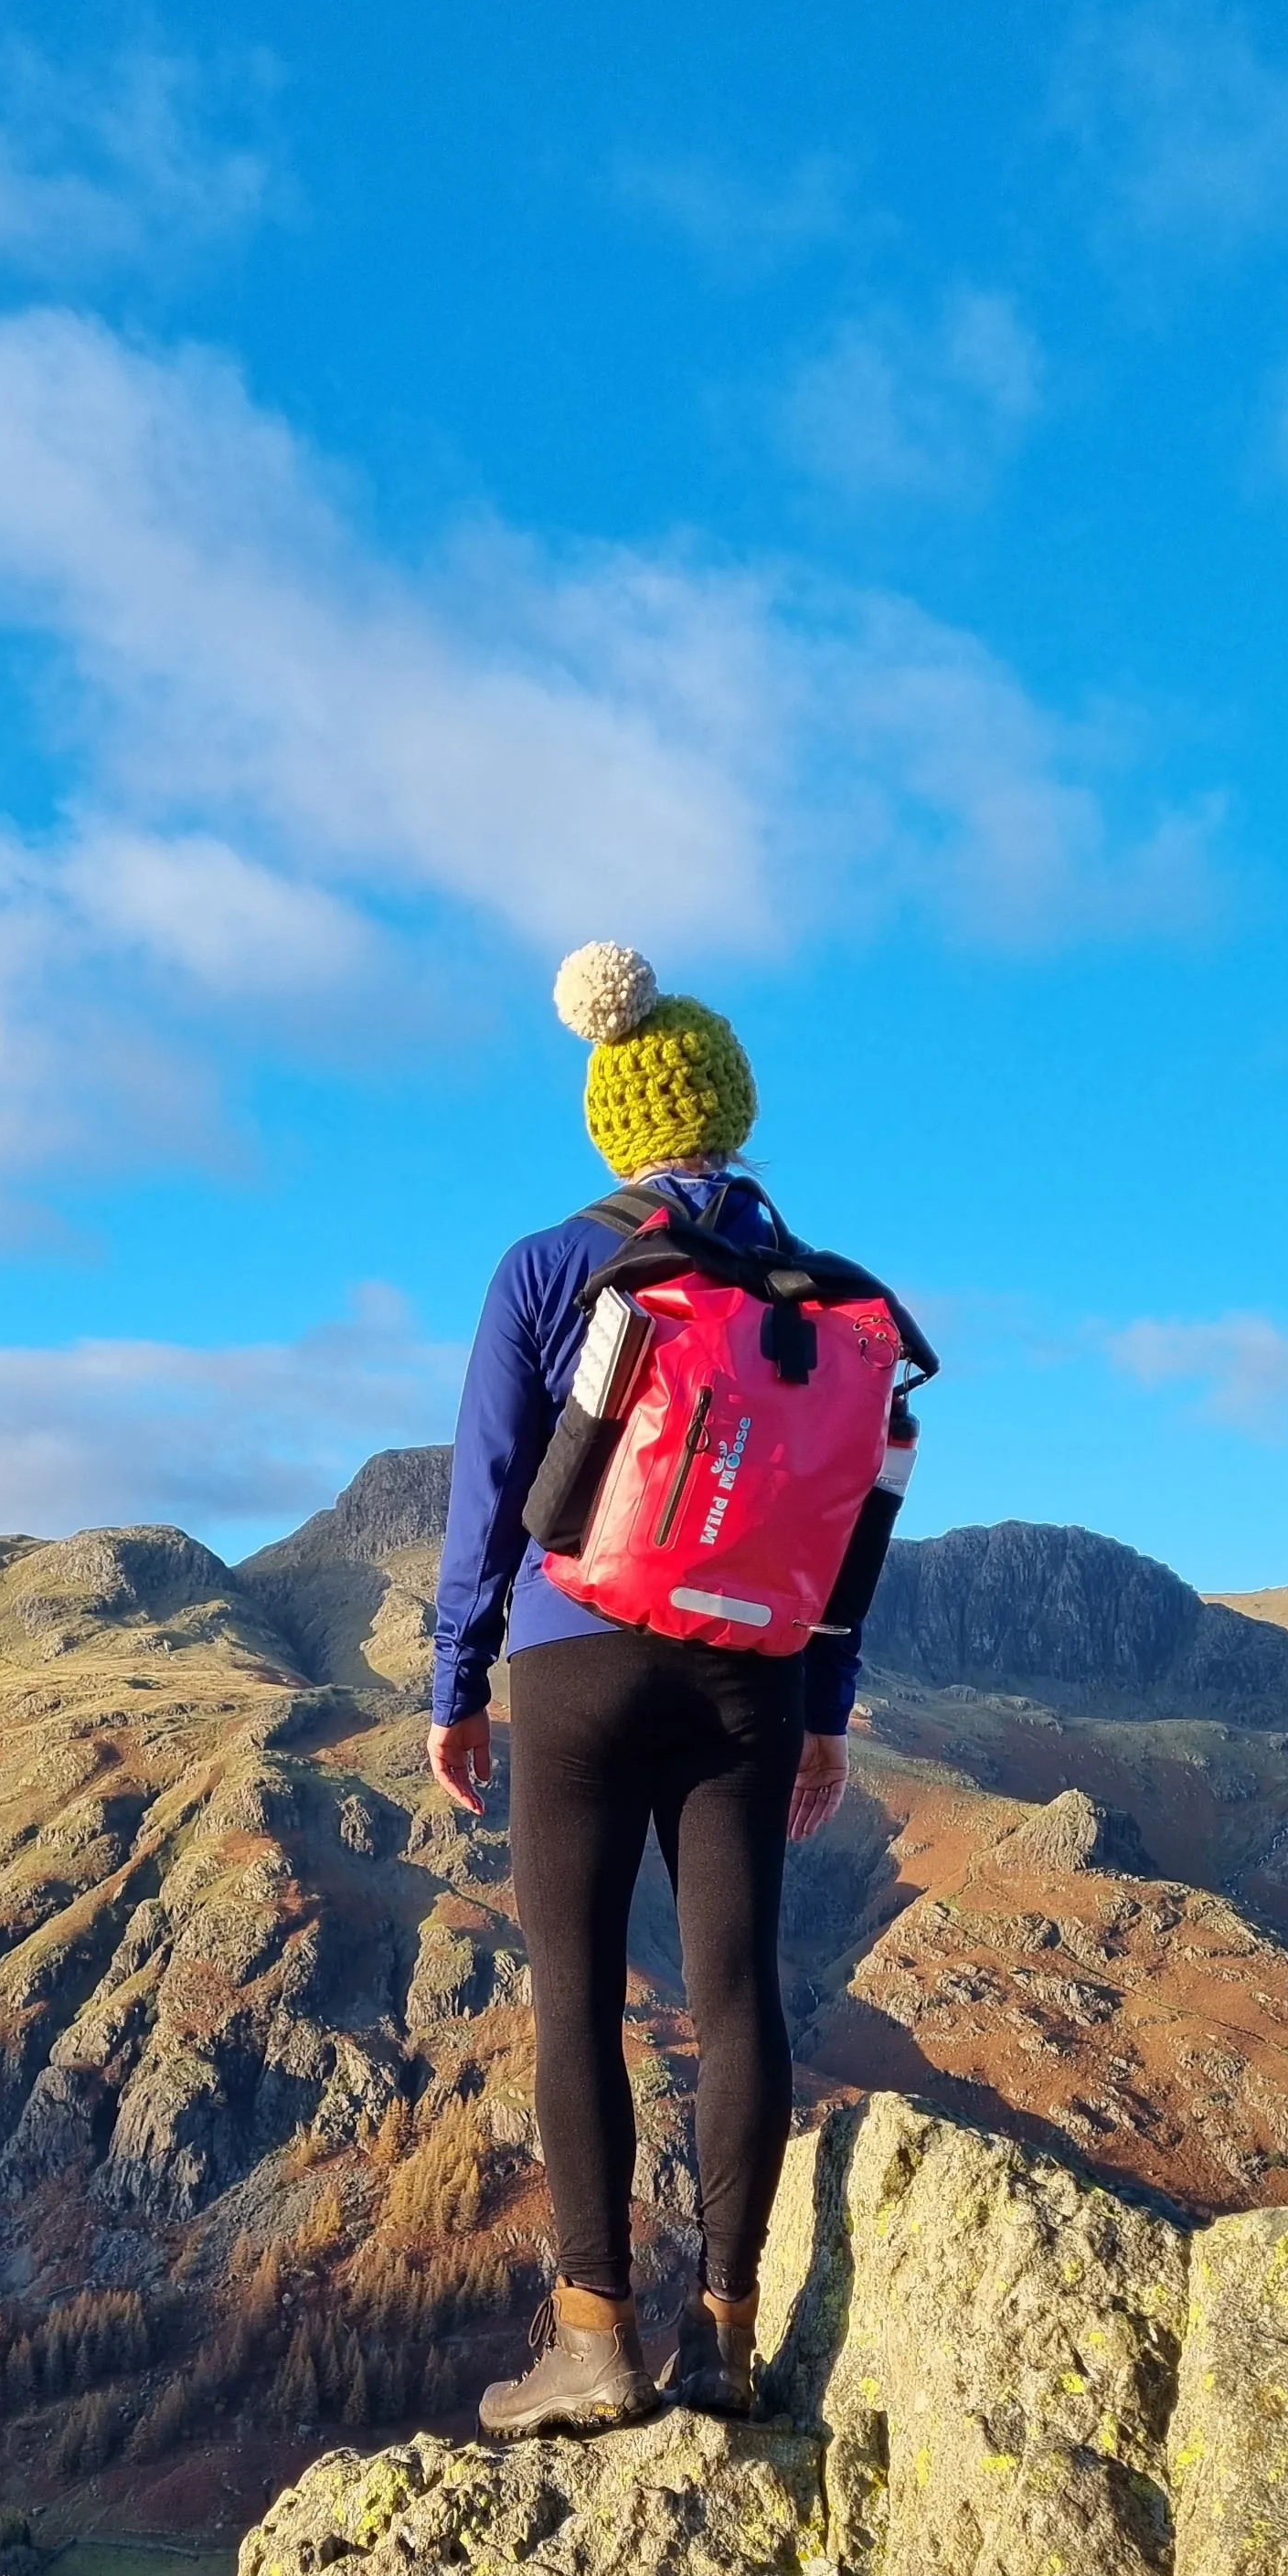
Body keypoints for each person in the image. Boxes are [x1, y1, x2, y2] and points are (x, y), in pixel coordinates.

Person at [428, 947, 860, 2436]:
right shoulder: (825, 1296)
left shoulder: (550, 1266)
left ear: (612, 1121)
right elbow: (854, 1511)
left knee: (577, 1998)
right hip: (755, 1672)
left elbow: (490, 1483)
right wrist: (824, 1710)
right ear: (736, 1112)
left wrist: (454, 1677)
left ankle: (595, 2341)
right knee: (737, 1997)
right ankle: (730, 2338)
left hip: (578, 1654)